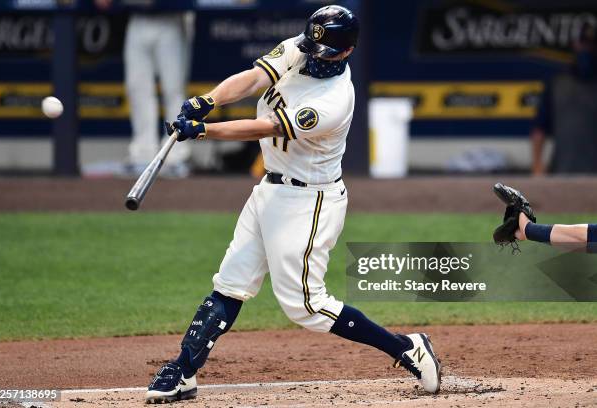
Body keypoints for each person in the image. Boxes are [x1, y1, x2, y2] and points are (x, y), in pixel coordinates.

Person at [144, 5, 441, 404]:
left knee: (308, 306)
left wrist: (202, 131)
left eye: (324, 53)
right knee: (230, 283)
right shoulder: (300, 48)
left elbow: (264, 127)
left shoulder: (333, 101)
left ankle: (406, 348)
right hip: (269, 189)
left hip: (309, 200)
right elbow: (252, 79)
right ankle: (183, 371)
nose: (312, 56)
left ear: (346, 52)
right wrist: (207, 100)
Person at [94, 0, 194, 177]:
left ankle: (175, 154)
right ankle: (143, 153)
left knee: (173, 89)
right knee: (137, 88)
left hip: (170, 18)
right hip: (137, 18)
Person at [531, 24, 597, 175]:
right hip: (563, 172)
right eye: (583, 44)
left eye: (591, 44)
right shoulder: (557, 84)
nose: (587, 49)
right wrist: (537, 166)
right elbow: (539, 129)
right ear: (575, 45)